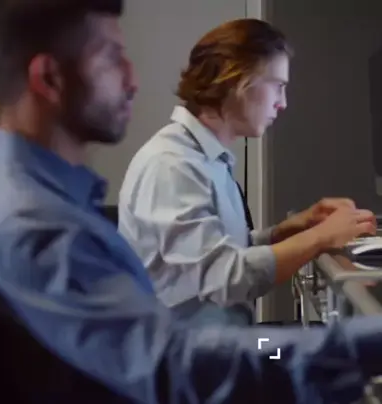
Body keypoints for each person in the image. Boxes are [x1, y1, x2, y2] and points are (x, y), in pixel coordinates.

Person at [0, 1, 382, 402]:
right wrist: (363, 343)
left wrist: (285, 235)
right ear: (49, 78)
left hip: (208, 344)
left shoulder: (27, 198)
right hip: (198, 353)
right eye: (111, 58)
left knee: (294, 344)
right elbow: (177, 363)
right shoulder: (37, 223)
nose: (133, 80)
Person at [117, 19, 376, 326]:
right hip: (196, 352)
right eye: (278, 86)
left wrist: (290, 230)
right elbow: (223, 279)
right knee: (349, 347)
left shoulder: (204, 157)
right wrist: (321, 237)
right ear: (235, 79)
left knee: (336, 342)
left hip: (220, 341)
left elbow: (219, 253)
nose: (282, 103)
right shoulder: (172, 164)